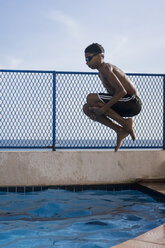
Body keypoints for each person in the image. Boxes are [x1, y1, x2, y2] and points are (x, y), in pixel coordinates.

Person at [83, 43, 142, 151]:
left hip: (132, 101)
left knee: (91, 98)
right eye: (85, 59)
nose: (86, 62)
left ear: (100, 56)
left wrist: (104, 109)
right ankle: (119, 130)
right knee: (87, 108)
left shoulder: (105, 67)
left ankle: (126, 123)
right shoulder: (100, 73)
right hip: (124, 103)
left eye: (88, 58)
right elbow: (111, 97)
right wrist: (97, 112)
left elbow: (122, 92)